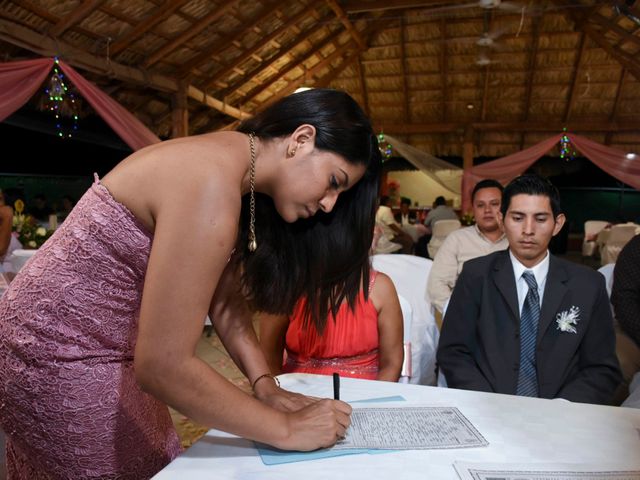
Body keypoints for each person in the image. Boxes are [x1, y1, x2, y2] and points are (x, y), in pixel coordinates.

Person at [0, 88, 381, 479]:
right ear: (301, 140)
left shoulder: (232, 169)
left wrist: (264, 384)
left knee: (161, 458)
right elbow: (164, 366)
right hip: (55, 353)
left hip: (94, 348)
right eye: (334, 181)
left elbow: (225, 299)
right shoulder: (210, 183)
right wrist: (287, 429)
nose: (329, 204)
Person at [437, 174, 621, 404]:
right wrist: (486, 401)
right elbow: (453, 352)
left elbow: (602, 368)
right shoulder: (476, 276)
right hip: (487, 409)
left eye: (541, 219)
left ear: (558, 224)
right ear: (502, 220)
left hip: (562, 416)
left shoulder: (587, 285)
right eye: (517, 217)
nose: (528, 229)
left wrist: (563, 408)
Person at [259, 269, 404, 382]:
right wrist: (282, 397)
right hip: (296, 397)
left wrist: (373, 405)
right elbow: (268, 358)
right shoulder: (286, 287)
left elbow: (392, 363)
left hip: (366, 398)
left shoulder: (380, 287)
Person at [427, 179, 508, 314]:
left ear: (505, 206)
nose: (487, 210)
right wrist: (460, 315)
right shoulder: (457, 239)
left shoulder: (518, 240)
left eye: (494, 204)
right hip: (466, 315)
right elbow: (436, 284)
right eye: (480, 205)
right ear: (472, 209)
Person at [610, 234, 640, 403]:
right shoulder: (636, 247)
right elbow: (623, 299)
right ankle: (598, 419)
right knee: (618, 362)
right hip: (634, 333)